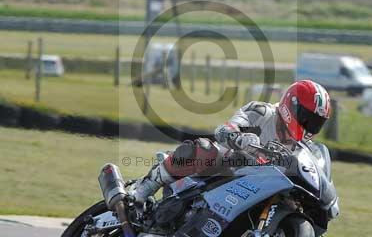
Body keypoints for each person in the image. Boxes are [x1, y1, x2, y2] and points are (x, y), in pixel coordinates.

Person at [129, 79, 333, 203]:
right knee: (207, 150)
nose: (310, 126)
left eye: (316, 123)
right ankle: (147, 185)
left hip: (258, 186)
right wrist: (238, 137)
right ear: (292, 106)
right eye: (308, 118)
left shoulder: (301, 149)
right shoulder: (261, 112)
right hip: (225, 170)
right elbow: (225, 129)